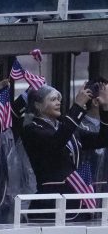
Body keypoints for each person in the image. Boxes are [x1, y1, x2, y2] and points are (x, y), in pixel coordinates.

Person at [22, 84, 108, 219]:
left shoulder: (66, 128)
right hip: (50, 205)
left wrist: (105, 109)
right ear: (38, 105)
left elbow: (102, 140)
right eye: (53, 99)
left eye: (59, 99)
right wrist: (78, 106)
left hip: (76, 201)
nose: (58, 103)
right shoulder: (32, 129)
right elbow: (56, 143)